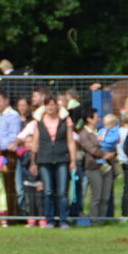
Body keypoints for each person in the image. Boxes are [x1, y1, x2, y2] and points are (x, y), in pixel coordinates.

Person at [23, 96, 77, 229]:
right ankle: (50, 220)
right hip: (44, 158)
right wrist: (33, 162)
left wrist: (73, 160)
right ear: (45, 107)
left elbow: (70, 141)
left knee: (63, 191)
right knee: (47, 191)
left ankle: (63, 220)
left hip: (62, 158)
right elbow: (35, 142)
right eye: (48, 105)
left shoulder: (66, 120)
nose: (51, 108)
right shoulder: (38, 121)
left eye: (53, 105)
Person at [0, 91, 23, 221]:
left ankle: (11, 215)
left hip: (6, 154)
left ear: (6, 101)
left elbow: (13, 135)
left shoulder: (12, 116)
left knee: (8, 184)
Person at [77, 108, 112, 224]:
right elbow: (91, 149)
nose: (99, 119)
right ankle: (94, 219)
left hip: (106, 166)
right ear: (89, 119)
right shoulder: (84, 134)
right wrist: (105, 154)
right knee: (96, 196)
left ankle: (102, 219)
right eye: (96, 116)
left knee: (105, 196)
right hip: (93, 167)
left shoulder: (99, 131)